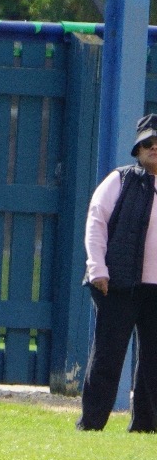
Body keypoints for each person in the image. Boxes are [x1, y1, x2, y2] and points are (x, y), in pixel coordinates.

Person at [78, 113, 157, 432]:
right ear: (137, 150)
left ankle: (145, 426)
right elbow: (95, 224)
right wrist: (97, 268)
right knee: (108, 357)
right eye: (148, 144)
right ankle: (92, 424)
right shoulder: (119, 180)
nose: (154, 148)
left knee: (154, 362)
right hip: (118, 283)